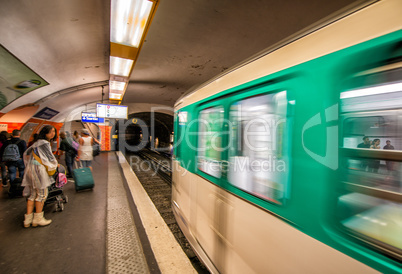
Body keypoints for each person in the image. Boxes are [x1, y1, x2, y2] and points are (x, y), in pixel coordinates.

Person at [22, 125, 58, 227]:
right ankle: (38, 219)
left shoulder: (36, 142)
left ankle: (27, 220)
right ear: (45, 133)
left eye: (54, 132)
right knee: (42, 193)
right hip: (39, 170)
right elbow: (50, 157)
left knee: (33, 193)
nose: (53, 134)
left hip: (30, 168)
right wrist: (55, 164)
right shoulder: (45, 143)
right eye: (50, 132)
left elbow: (28, 154)